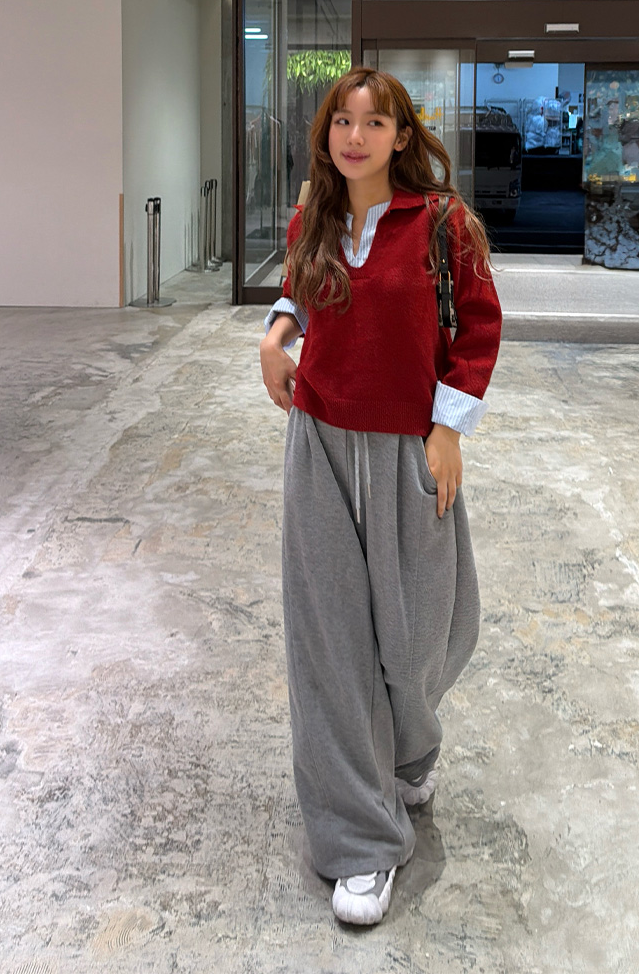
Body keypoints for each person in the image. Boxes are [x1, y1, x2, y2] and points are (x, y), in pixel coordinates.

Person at [259, 66, 502, 926]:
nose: (355, 136)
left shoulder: (441, 224)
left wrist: (448, 428)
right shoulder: (314, 218)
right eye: (341, 121)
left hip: (408, 448)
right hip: (320, 444)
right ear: (326, 134)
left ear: (402, 136)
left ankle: (406, 752)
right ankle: (360, 839)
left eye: (374, 122)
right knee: (329, 643)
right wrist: (277, 337)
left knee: (422, 634)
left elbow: (478, 324)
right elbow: (298, 287)